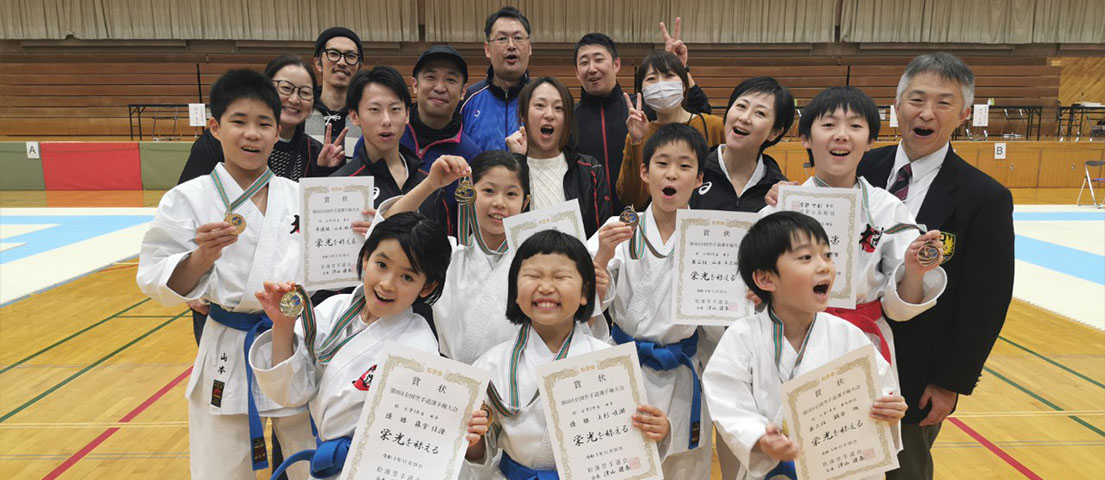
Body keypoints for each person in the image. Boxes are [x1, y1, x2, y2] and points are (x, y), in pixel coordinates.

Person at [136, 69, 314, 480]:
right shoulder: (188, 198)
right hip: (227, 345)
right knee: (221, 468)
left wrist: (356, 229)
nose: (252, 134)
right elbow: (155, 278)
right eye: (239, 121)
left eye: (264, 124)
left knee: (311, 462)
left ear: (277, 131)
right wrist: (201, 258)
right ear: (215, 127)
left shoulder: (300, 195)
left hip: (293, 341)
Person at [856, 53, 1015, 480]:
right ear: (896, 105)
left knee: (902, 472)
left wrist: (950, 382)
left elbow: (987, 301)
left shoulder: (985, 198)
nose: (926, 113)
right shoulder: (857, 170)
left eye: (944, 103)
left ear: (964, 114)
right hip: (841, 356)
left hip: (916, 373)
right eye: (916, 99)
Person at [702, 211, 907, 480]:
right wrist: (760, 438)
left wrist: (890, 410)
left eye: (827, 255)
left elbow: (881, 392)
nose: (824, 266)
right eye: (806, 258)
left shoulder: (848, 336)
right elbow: (727, 399)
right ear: (766, 279)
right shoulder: (743, 336)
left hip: (839, 469)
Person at [249, 212, 449, 479]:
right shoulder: (333, 311)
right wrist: (283, 325)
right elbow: (291, 393)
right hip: (324, 459)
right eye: (382, 264)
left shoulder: (420, 347)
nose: (387, 284)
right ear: (366, 258)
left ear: (427, 287)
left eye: (407, 278)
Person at [761, 86, 947, 371]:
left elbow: (900, 309)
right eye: (828, 124)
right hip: (788, 340)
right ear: (805, 139)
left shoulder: (889, 209)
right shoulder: (780, 209)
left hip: (862, 341)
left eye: (855, 125)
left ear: (870, 140)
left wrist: (915, 271)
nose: (841, 134)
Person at [464, 230, 671, 478]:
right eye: (533, 276)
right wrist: (473, 442)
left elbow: (631, 439)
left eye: (561, 277)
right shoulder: (491, 363)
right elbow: (482, 449)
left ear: (585, 293)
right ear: (516, 292)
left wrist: (659, 429)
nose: (546, 287)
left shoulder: (610, 362)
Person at [590, 123, 712, 478]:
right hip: (625, 369)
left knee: (683, 466)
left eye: (685, 165)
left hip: (683, 370)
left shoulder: (711, 235)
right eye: (662, 163)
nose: (672, 173)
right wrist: (601, 257)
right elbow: (584, 306)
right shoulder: (617, 229)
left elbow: (722, 321)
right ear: (645, 172)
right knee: (622, 463)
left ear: (699, 177)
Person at [572, 28, 711, 212]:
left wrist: (678, 68)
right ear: (576, 72)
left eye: (599, 59)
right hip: (591, 217)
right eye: (584, 62)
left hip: (644, 215)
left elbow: (695, 116)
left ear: (616, 64)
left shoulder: (643, 110)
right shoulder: (570, 119)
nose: (592, 68)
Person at [178, 55, 346, 186]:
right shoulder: (221, 140)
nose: (295, 99)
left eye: (305, 92)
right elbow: (188, 202)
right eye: (286, 88)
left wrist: (324, 170)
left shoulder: (314, 152)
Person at [617, 51, 725, 211]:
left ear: (683, 84)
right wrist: (636, 142)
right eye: (651, 79)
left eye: (668, 76)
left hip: (705, 223)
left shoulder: (714, 126)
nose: (661, 84)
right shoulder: (637, 133)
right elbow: (632, 199)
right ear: (643, 92)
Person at [505, 76, 612, 237]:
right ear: (523, 114)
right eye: (540, 106)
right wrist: (517, 160)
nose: (549, 115)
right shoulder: (505, 170)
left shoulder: (590, 171)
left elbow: (600, 238)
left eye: (559, 108)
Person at [404, 44, 483, 236]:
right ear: (415, 84)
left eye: (450, 79)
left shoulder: (471, 155)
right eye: (430, 77)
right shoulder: (387, 137)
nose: (439, 88)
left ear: (464, 90)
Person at [691, 77, 794, 213]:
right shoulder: (693, 171)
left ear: (775, 133)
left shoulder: (777, 192)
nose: (744, 118)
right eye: (741, 106)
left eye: (760, 113)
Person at [331, 67, 429, 209]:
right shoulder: (340, 186)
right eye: (374, 110)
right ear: (354, 116)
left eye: (395, 109)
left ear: (407, 114)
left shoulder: (428, 183)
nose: (386, 120)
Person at [460, 6, 532, 151]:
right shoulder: (467, 100)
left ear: (529, 47)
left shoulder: (543, 98)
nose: (511, 45)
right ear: (487, 49)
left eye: (518, 38)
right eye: (502, 39)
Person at [306, 27, 365, 159]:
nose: (342, 62)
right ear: (318, 63)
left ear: (359, 67)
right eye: (333, 54)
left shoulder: (366, 115)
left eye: (350, 56)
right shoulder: (302, 111)